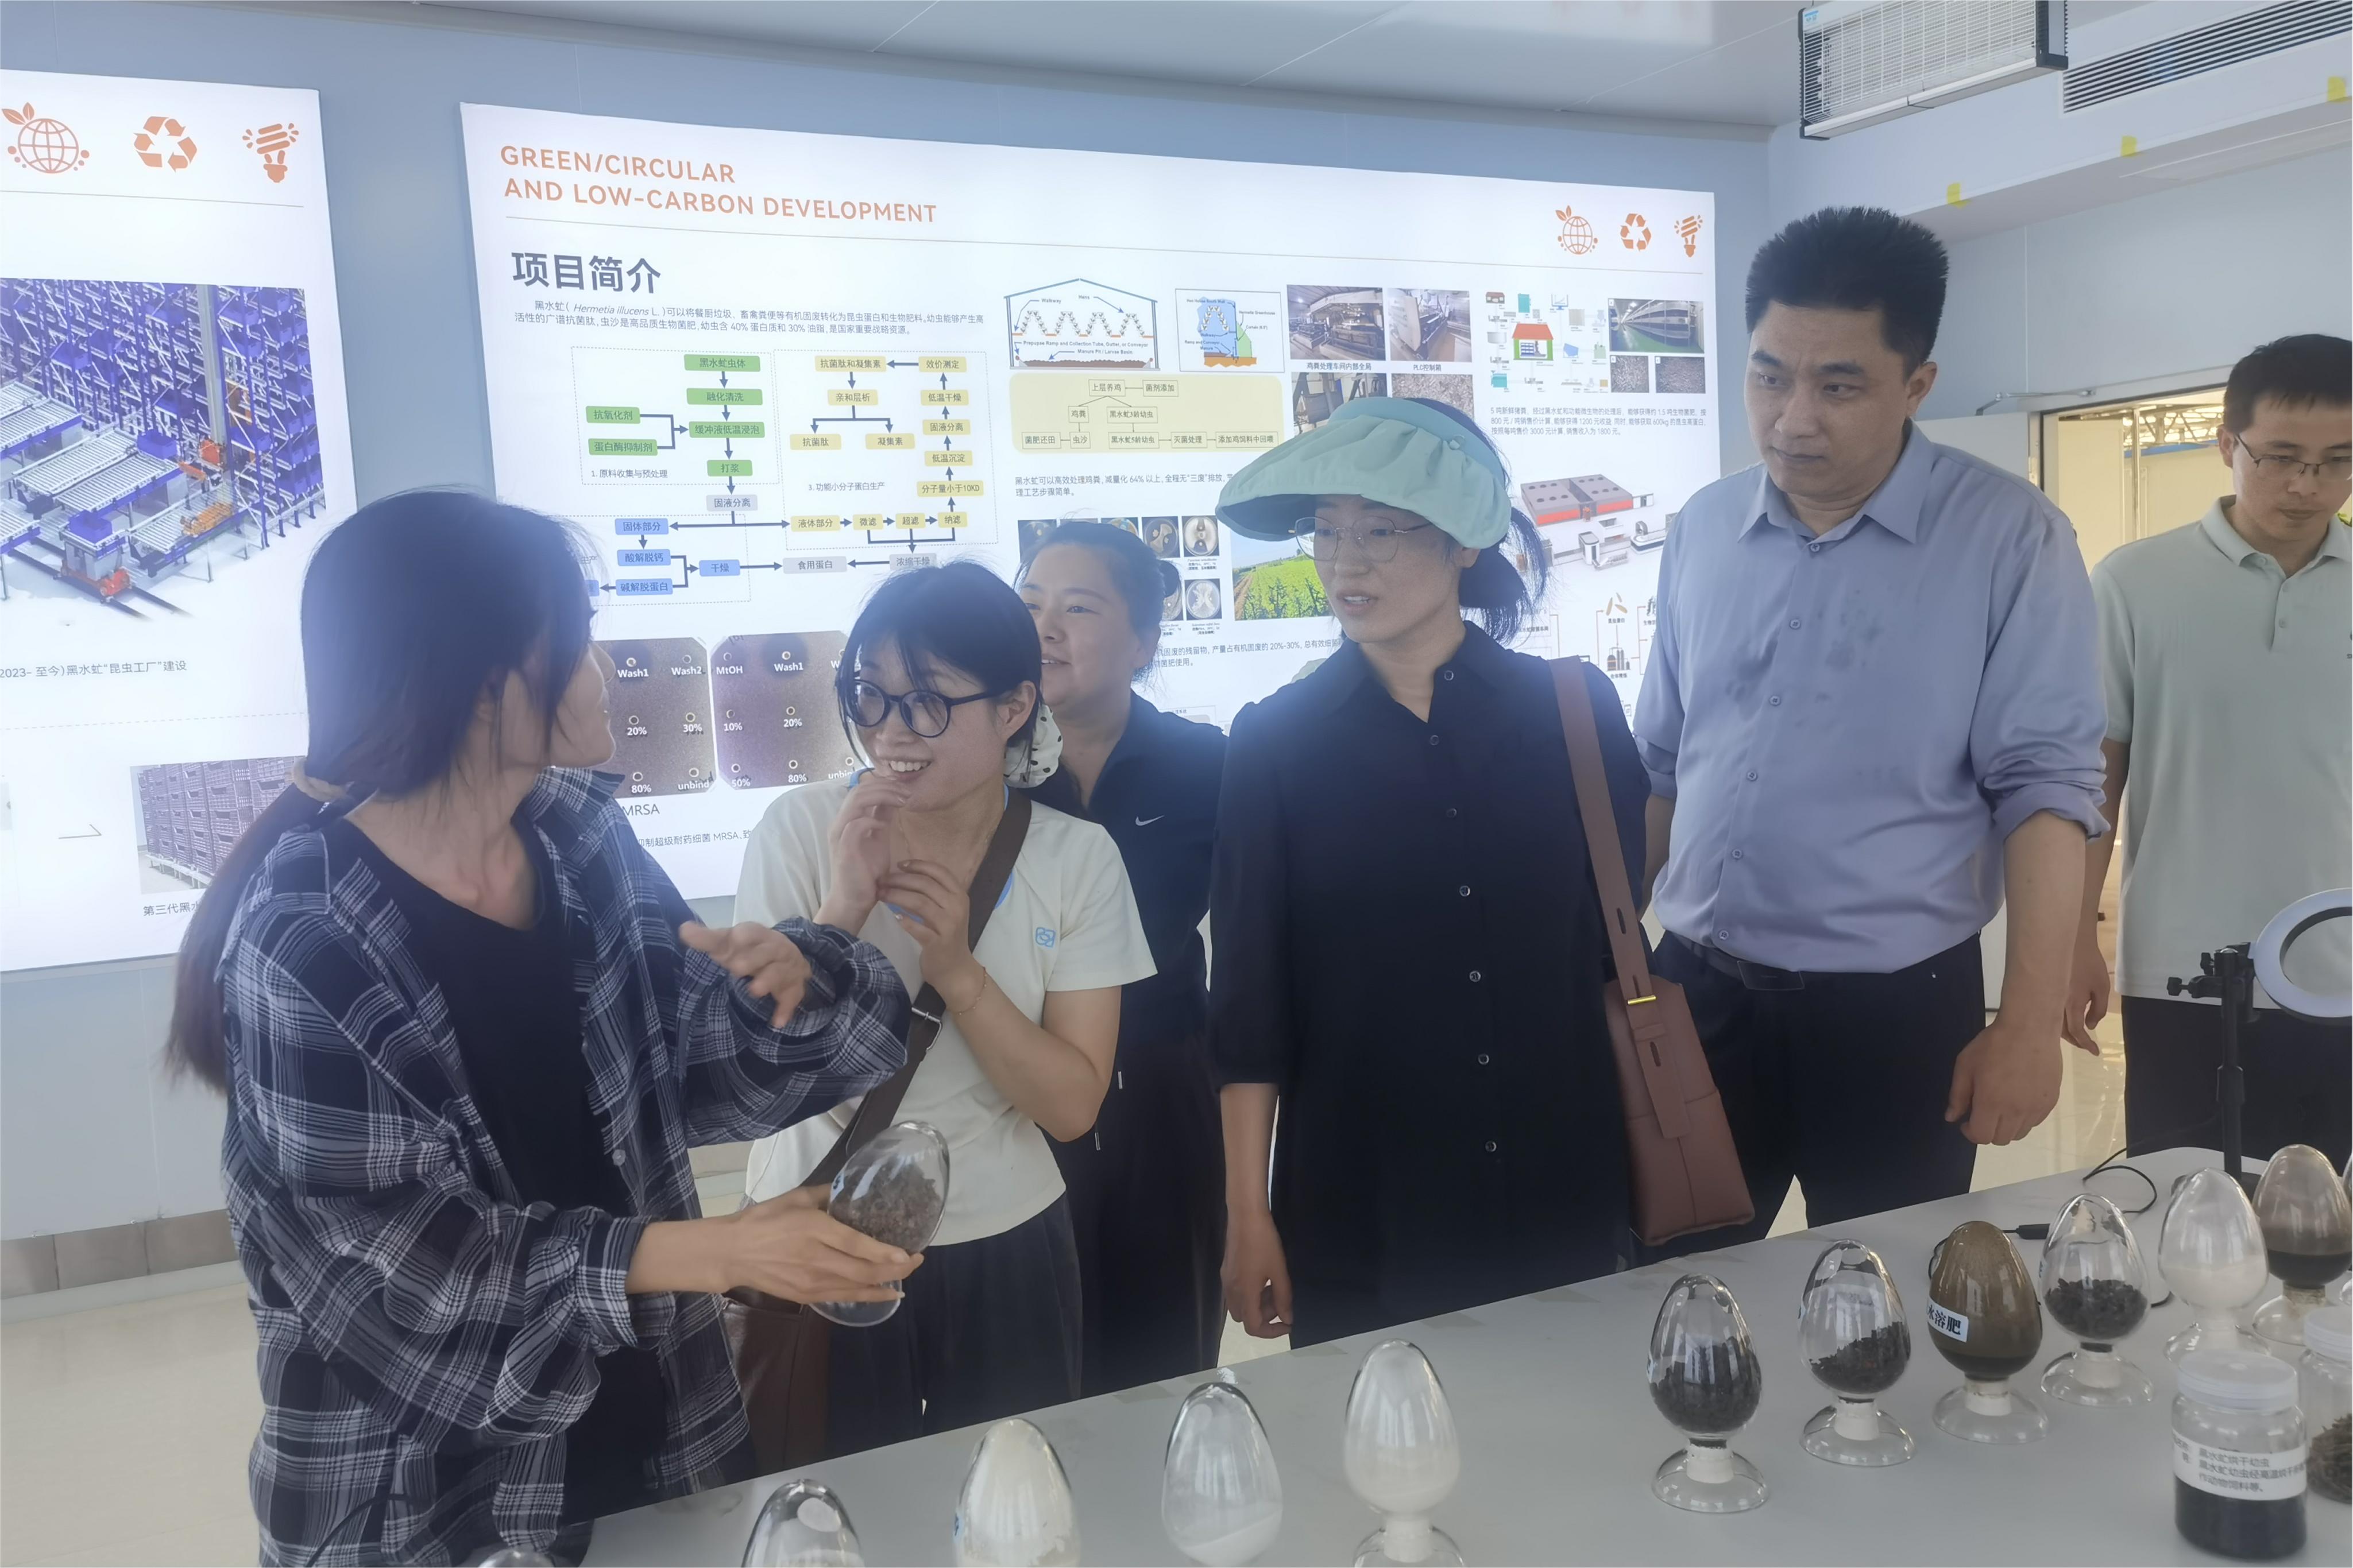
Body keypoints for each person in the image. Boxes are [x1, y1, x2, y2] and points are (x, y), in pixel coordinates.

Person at [166, 494, 919, 1566]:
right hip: (426, 1496)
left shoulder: (577, 838)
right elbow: (419, 1285)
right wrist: (720, 1249)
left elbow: (697, 1070)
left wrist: (802, 972)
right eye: (576, 643)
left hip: (660, 1427)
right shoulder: (304, 938)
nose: (601, 670)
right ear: (482, 685)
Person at [1633, 207, 2107, 1248]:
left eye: (1837, 386)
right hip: (1698, 994)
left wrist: (2025, 1026)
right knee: (1664, 1289)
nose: (1792, 419)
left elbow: (2046, 791)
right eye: (1768, 378)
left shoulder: (2009, 538)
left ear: (1915, 384)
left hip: (1894, 1015)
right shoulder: (1703, 529)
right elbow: (1661, 767)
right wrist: (1620, 968)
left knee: (1883, 1294)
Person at [1210, 396, 1648, 1346]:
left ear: (1463, 543)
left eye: (1380, 530)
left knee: (1576, 1420)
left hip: (1563, 1185)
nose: (1344, 562)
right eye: (1326, 530)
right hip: (1365, 1206)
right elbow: (1249, 1009)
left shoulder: (1573, 713)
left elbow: (1606, 939)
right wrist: (1248, 1213)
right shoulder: (1275, 744)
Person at [736, 563, 1155, 1453]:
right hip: (815, 1231)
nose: (890, 731)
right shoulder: (799, 832)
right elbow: (760, 1078)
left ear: (1013, 708)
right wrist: (841, 910)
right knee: (824, 1502)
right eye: (869, 695)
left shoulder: (1075, 859)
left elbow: (1071, 1107)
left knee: (1006, 1496)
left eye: (927, 701)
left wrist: (958, 972)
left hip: (1004, 1238)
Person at [2067, 334, 2352, 1165]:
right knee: (2184, 1198)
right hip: (2181, 967)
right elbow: (2094, 779)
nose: (2306, 485)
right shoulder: (2134, 582)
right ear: (2228, 444)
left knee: (2325, 1207)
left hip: (2341, 962)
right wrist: (2072, 940)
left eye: (2338, 461)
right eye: (2280, 457)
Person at [1020, 523, 1228, 1395]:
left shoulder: (1204, 765)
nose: (1045, 628)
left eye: (1078, 608)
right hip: (1019, 1096)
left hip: (1163, 1102)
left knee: (1163, 1365)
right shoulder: (983, 772)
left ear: (1143, 642)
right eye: (1031, 604)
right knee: (1032, 1366)